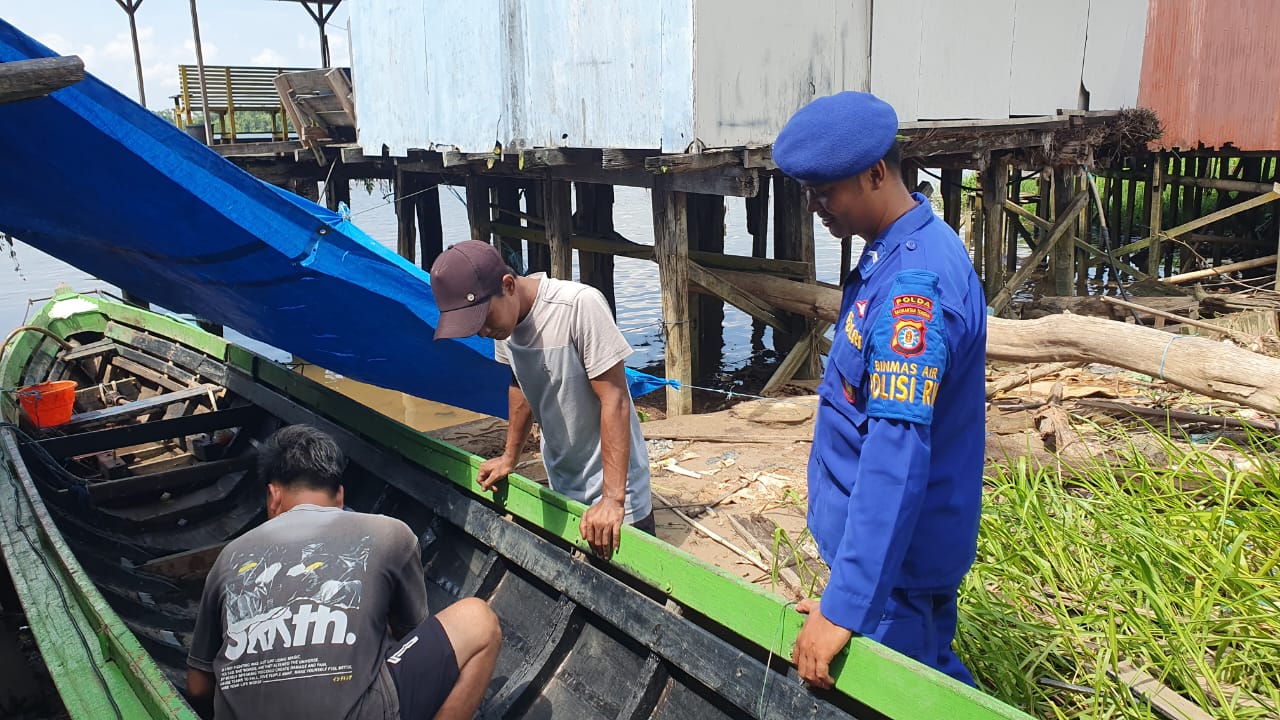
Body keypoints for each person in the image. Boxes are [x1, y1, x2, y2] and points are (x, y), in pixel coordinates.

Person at [772, 91, 986, 688]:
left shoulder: (911, 290)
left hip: (899, 572)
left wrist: (844, 607)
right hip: (886, 571)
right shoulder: (894, 252)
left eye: (825, 192)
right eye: (809, 192)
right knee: (922, 673)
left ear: (874, 174)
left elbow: (895, 457)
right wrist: (846, 596)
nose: (814, 207)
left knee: (908, 690)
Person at [187, 425, 502, 719]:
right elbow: (411, 637)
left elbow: (198, 686)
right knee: (478, 620)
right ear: (339, 496)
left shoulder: (231, 555)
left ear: (274, 496)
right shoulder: (389, 533)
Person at [430, 240, 654, 559]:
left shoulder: (578, 306)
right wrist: (510, 457)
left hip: (618, 489)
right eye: (474, 325)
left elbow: (614, 399)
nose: (482, 332)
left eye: (483, 319)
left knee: (627, 580)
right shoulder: (504, 326)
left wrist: (612, 499)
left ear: (508, 285)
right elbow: (520, 384)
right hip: (562, 479)